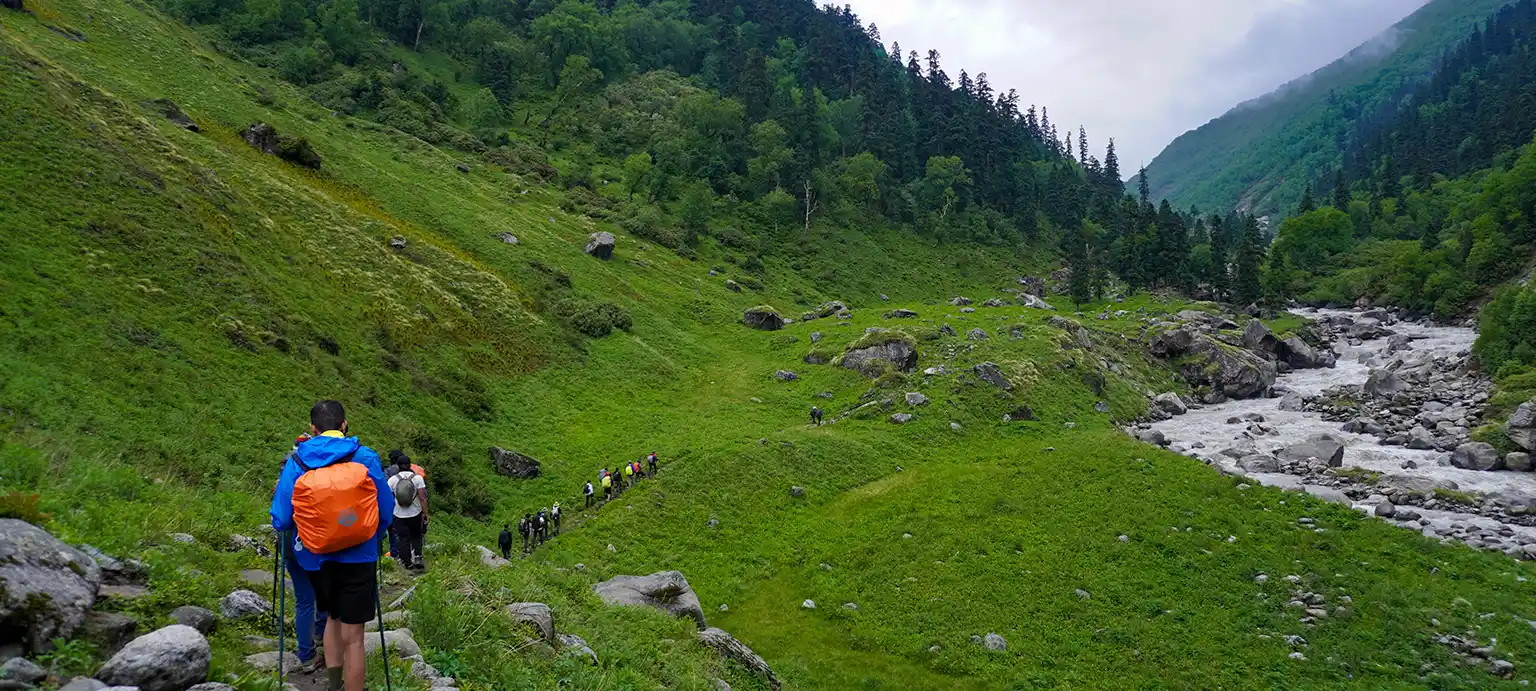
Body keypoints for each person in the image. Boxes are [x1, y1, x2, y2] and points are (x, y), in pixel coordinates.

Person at [271, 400, 393, 691]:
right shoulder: (365, 457)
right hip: (360, 557)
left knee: (330, 620)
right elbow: (385, 510)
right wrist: (372, 535)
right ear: (344, 425)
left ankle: (333, 684)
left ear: (313, 429)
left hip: (316, 558)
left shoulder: (298, 460)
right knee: (355, 638)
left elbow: (282, 518)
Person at [386, 454, 427, 570]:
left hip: (398, 514)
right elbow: (423, 497)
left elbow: (389, 498)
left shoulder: (392, 480)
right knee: (416, 535)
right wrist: (425, 513)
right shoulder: (417, 478)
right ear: (410, 465)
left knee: (403, 538)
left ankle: (407, 562)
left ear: (398, 466)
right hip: (415, 513)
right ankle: (418, 557)